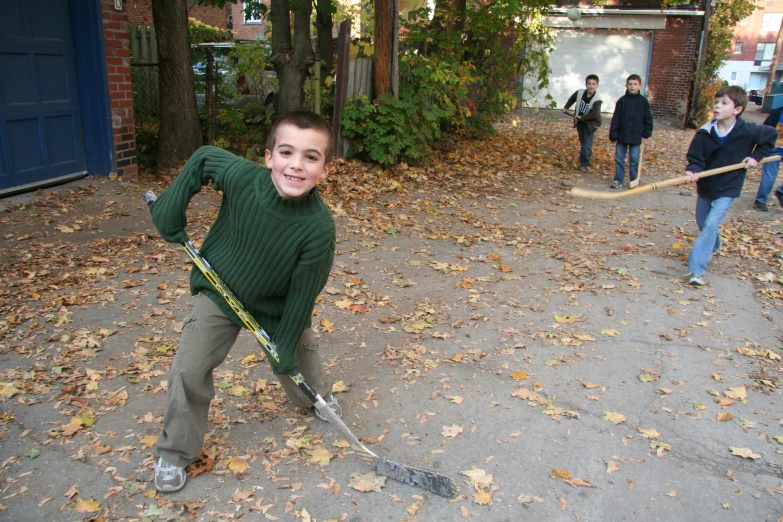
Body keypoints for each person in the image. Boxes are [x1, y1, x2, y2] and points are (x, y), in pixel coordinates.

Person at [147, 111, 342, 493]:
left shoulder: (319, 229)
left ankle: (314, 398)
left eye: (310, 157)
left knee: (298, 363)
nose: (296, 165)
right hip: (220, 289)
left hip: (277, 306)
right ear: (268, 156)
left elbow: (303, 296)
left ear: (325, 169)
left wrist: (284, 344)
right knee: (188, 369)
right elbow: (203, 157)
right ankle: (176, 451)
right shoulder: (242, 178)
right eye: (286, 152)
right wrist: (170, 207)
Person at [684, 86, 776, 286]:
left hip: (729, 186)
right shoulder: (705, 132)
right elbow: (696, 157)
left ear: (737, 109)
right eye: (716, 102)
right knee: (703, 222)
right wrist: (693, 169)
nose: (718, 106)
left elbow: (770, 138)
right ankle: (713, 243)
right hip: (707, 185)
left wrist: (755, 157)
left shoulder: (748, 131)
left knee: (710, 224)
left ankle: (697, 271)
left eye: (724, 103)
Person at [609, 74, 653, 189]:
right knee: (619, 159)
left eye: (635, 84)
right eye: (630, 84)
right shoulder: (622, 101)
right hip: (622, 135)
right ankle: (618, 179)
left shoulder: (643, 102)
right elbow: (616, 118)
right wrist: (614, 134)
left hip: (636, 136)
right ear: (626, 85)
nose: (632, 87)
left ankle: (634, 181)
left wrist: (646, 133)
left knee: (634, 160)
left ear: (640, 86)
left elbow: (648, 118)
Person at [562, 74, 603, 171]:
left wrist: (582, 117)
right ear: (586, 84)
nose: (591, 86)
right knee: (583, 140)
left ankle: (584, 163)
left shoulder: (597, 99)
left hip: (590, 124)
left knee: (586, 142)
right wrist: (566, 107)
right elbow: (572, 98)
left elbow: (595, 114)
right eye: (589, 84)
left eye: (593, 84)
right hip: (580, 122)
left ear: (597, 85)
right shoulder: (580, 93)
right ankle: (587, 154)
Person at [753, 105, 783, 211]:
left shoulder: (777, 113)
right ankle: (762, 200)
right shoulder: (777, 113)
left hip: (773, 148)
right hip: (774, 149)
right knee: (769, 176)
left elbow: (764, 130)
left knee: (769, 175)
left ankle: (760, 202)